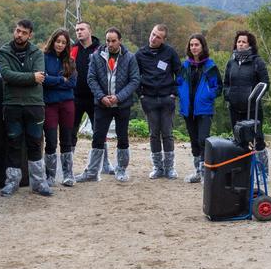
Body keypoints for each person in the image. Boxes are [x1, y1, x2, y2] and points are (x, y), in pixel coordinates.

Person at [0, 19, 51, 196]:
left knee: (35, 144)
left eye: (24, 33)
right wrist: (30, 77)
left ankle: (39, 183)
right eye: (18, 31)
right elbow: (7, 75)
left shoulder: (37, 53)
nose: (19, 35)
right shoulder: (4, 51)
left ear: (30, 35)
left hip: (34, 104)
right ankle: (12, 183)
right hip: (12, 104)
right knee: (13, 144)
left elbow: (40, 77)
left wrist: (24, 78)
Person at [81, 27, 140, 182]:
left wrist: (118, 97)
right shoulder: (96, 56)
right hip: (102, 104)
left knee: (122, 137)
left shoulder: (130, 58)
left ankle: (121, 170)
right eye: (108, 41)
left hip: (122, 105)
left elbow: (134, 81)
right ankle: (92, 172)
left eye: (114, 41)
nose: (110, 44)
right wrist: (101, 97)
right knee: (98, 137)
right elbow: (91, 78)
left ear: (120, 41)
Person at [221, 31, 270, 178]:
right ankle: (242, 171)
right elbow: (226, 83)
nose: (240, 44)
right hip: (235, 107)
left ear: (250, 44)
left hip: (252, 108)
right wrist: (228, 95)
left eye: (244, 42)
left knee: (257, 139)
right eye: (239, 42)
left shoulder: (257, 62)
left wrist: (254, 98)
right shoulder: (231, 62)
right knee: (239, 139)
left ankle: (262, 172)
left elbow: (265, 84)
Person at [137, 24, 183, 180]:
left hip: (166, 99)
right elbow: (134, 76)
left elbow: (180, 74)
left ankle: (169, 168)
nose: (153, 38)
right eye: (153, 34)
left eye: (158, 37)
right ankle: (157, 167)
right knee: (154, 134)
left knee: (167, 134)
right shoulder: (140, 54)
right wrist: (140, 95)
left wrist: (174, 93)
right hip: (149, 99)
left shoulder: (170, 52)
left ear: (163, 39)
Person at [177, 34, 221, 183]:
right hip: (188, 109)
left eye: (196, 45)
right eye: (191, 45)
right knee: (194, 141)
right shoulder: (185, 66)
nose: (194, 47)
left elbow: (217, 87)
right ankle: (197, 172)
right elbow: (178, 83)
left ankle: (205, 173)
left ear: (202, 46)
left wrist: (207, 96)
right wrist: (181, 96)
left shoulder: (210, 66)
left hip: (204, 109)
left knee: (203, 140)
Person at [41, 30, 79, 188]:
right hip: (49, 104)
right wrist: (61, 80)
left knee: (67, 139)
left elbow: (72, 83)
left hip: (67, 104)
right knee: (50, 140)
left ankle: (68, 174)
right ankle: (50, 176)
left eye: (64, 42)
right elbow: (43, 79)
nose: (60, 45)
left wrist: (53, 81)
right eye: (58, 41)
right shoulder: (43, 58)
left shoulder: (70, 61)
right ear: (53, 41)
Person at [71, 21, 105, 173]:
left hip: (95, 98)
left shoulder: (100, 49)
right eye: (77, 30)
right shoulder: (72, 49)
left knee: (99, 132)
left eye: (82, 29)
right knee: (71, 131)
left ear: (90, 31)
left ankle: (104, 164)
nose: (79, 32)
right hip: (75, 97)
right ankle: (68, 164)